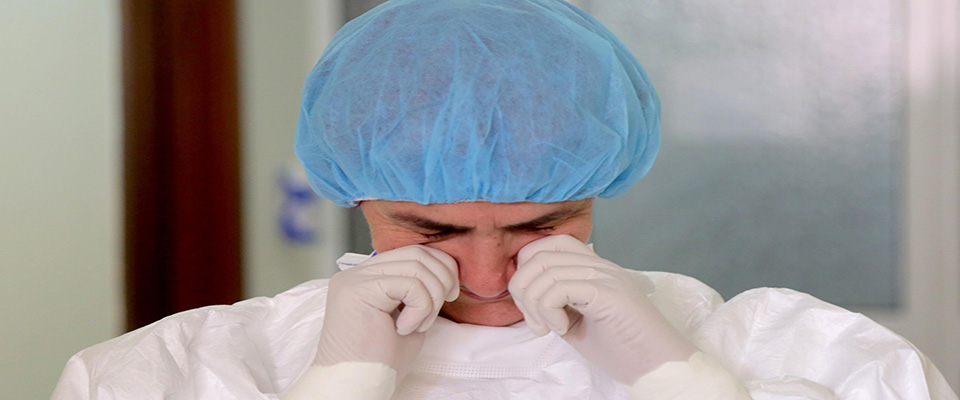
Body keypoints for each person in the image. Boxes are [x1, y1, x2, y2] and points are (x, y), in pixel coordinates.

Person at [53, 0, 958, 399]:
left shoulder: (817, 358)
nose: (487, 274)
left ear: (597, 186)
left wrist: (687, 382)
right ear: (353, 190)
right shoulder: (177, 373)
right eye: (431, 228)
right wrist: (336, 387)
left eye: (540, 222)